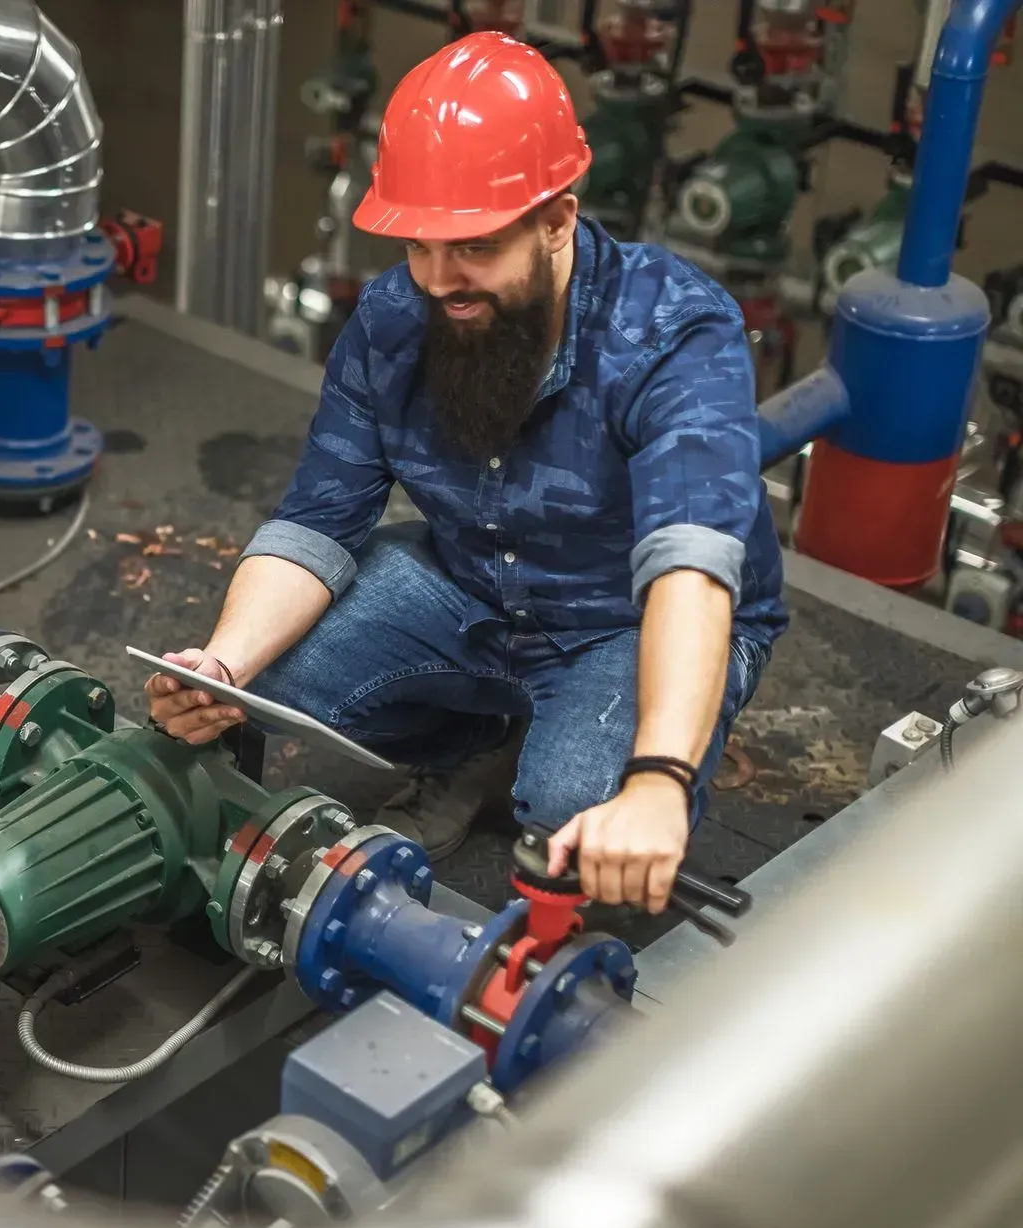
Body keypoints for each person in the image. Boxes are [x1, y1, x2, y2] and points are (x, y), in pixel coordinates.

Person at [145, 32, 787, 915]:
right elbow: (316, 524)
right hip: (473, 582)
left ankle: (552, 749)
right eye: (418, 246)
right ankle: (474, 747)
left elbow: (691, 570)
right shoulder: (396, 317)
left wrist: (659, 782)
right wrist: (220, 669)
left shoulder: (673, 331)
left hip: (627, 620)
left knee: (571, 812)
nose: (440, 280)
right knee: (275, 686)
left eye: (474, 248)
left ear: (557, 219)